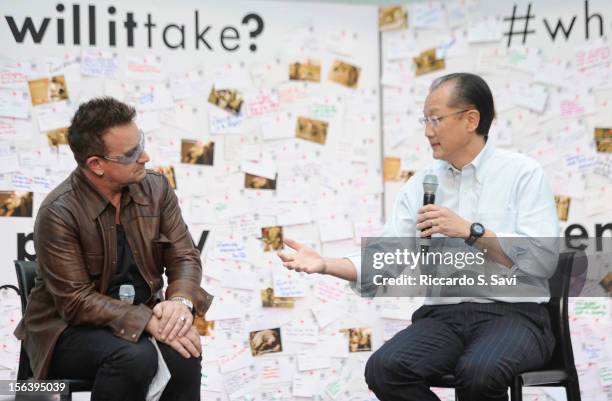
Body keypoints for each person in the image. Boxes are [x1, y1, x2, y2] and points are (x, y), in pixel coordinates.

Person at [277, 73, 559, 401]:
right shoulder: (422, 184)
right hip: (444, 317)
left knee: (480, 371)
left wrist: (472, 231)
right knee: (386, 368)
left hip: (514, 315)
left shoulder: (522, 173)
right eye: (425, 120)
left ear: (471, 119)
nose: (428, 131)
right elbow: (387, 258)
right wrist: (325, 264)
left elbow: (543, 259)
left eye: (436, 119)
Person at [14, 97, 213, 401]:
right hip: (65, 331)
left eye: (141, 143)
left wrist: (179, 305)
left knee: (183, 350)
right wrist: (146, 321)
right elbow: (75, 302)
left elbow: (184, 255)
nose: (145, 156)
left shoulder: (157, 189)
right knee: (134, 356)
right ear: (96, 165)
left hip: (139, 322)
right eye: (131, 154)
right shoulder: (59, 211)